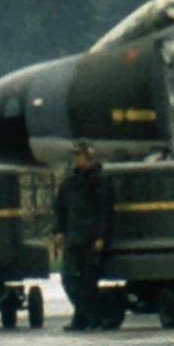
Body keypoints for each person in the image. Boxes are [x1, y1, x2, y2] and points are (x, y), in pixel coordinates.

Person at [52, 140, 113, 332]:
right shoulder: (69, 182)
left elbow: (105, 211)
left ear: (88, 157)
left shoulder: (100, 180)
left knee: (88, 281)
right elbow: (60, 208)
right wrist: (59, 231)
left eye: (79, 156)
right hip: (73, 236)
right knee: (69, 279)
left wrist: (101, 236)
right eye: (75, 156)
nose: (76, 159)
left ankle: (88, 318)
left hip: (90, 237)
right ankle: (86, 315)